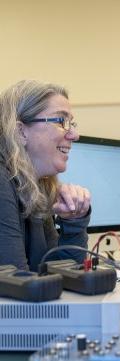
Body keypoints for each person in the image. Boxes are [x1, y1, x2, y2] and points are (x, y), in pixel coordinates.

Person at [0, 80, 91, 271]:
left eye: (71, 123)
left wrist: (74, 222)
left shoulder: (38, 184)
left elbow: (58, 271)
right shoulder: (2, 179)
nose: (74, 135)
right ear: (20, 131)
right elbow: (18, 285)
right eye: (61, 121)